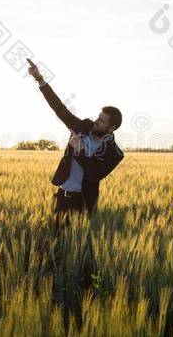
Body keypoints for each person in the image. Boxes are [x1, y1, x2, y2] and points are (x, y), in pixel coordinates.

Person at [26, 58, 124, 234]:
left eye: (102, 120)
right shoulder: (81, 127)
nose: (96, 120)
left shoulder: (115, 153)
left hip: (85, 203)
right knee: (56, 244)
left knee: (80, 248)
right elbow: (59, 108)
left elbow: (95, 175)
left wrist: (79, 151)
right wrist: (40, 80)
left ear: (111, 128)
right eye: (98, 116)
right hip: (62, 197)